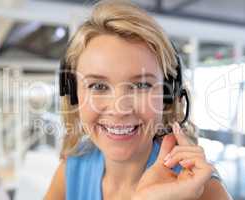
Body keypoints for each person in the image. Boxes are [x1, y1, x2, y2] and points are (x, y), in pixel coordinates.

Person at [45, 0, 232, 199]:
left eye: (142, 85)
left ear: (168, 96)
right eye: (98, 86)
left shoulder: (203, 191)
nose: (119, 109)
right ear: (73, 93)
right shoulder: (72, 169)